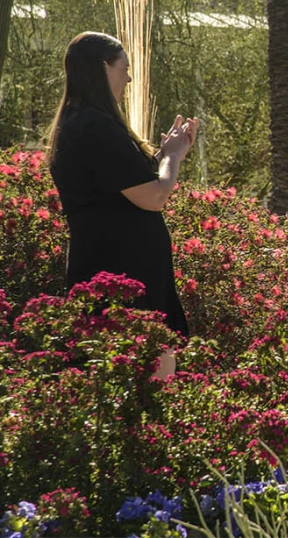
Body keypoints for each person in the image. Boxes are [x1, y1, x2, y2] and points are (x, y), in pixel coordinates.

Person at [47, 32, 199, 378]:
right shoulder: (95, 127)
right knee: (143, 372)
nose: (129, 78)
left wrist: (162, 156)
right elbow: (154, 197)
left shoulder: (80, 123)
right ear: (103, 68)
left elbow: (120, 188)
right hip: (123, 269)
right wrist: (173, 158)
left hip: (112, 262)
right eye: (124, 68)